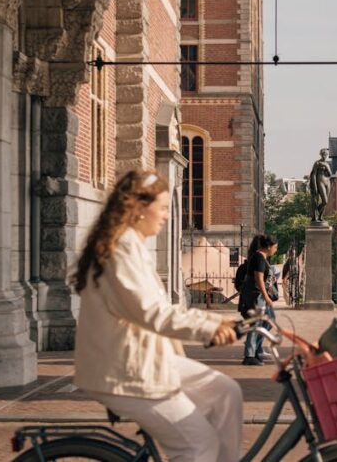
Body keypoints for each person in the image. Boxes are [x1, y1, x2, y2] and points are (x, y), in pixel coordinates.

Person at [73, 170, 242, 462]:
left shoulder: (132, 244)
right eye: (162, 207)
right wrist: (208, 327)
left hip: (144, 359)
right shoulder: (122, 249)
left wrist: (216, 321)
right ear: (138, 207)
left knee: (226, 392)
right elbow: (152, 313)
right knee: (198, 446)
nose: (166, 215)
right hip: (126, 370)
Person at [241, 234, 279, 365]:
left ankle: (256, 349)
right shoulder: (259, 258)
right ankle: (249, 355)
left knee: (269, 320)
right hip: (255, 295)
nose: (275, 250)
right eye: (275, 247)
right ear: (268, 246)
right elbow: (259, 279)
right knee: (256, 324)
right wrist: (266, 296)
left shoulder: (262, 258)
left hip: (257, 295)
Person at [308, 148, 334, 222]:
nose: (324, 156)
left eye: (326, 154)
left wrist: (325, 166)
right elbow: (313, 175)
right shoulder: (317, 163)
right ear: (321, 154)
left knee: (326, 202)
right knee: (325, 201)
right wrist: (315, 186)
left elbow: (330, 174)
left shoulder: (327, 164)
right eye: (323, 154)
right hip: (320, 181)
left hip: (327, 182)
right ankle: (315, 213)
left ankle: (320, 216)